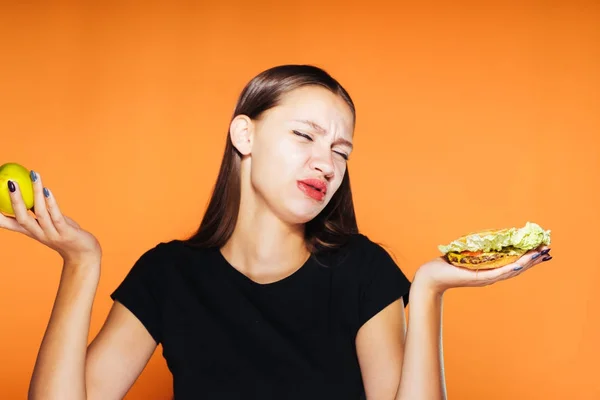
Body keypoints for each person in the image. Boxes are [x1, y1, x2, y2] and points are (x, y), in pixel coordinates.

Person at [1, 64, 551, 400]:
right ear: (245, 134)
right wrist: (81, 263)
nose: (326, 163)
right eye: (304, 136)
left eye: (340, 150)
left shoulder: (362, 271)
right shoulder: (168, 275)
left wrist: (428, 289)